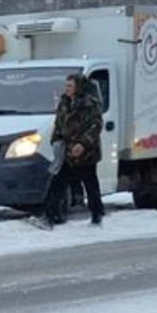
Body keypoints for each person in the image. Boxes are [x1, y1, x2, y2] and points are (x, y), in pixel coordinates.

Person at [44, 72, 104, 227]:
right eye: (66, 85)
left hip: (86, 154)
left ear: (79, 86)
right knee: (57, 183)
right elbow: (58, 124)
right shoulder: (64, 102)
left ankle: (97, 214)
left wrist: (83, 144)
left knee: (90, 184)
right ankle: (50, 216)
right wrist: (56, 140)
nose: (67, 88)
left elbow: (96, 126)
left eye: (70, 85)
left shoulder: (90, 103)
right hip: (67, 152)